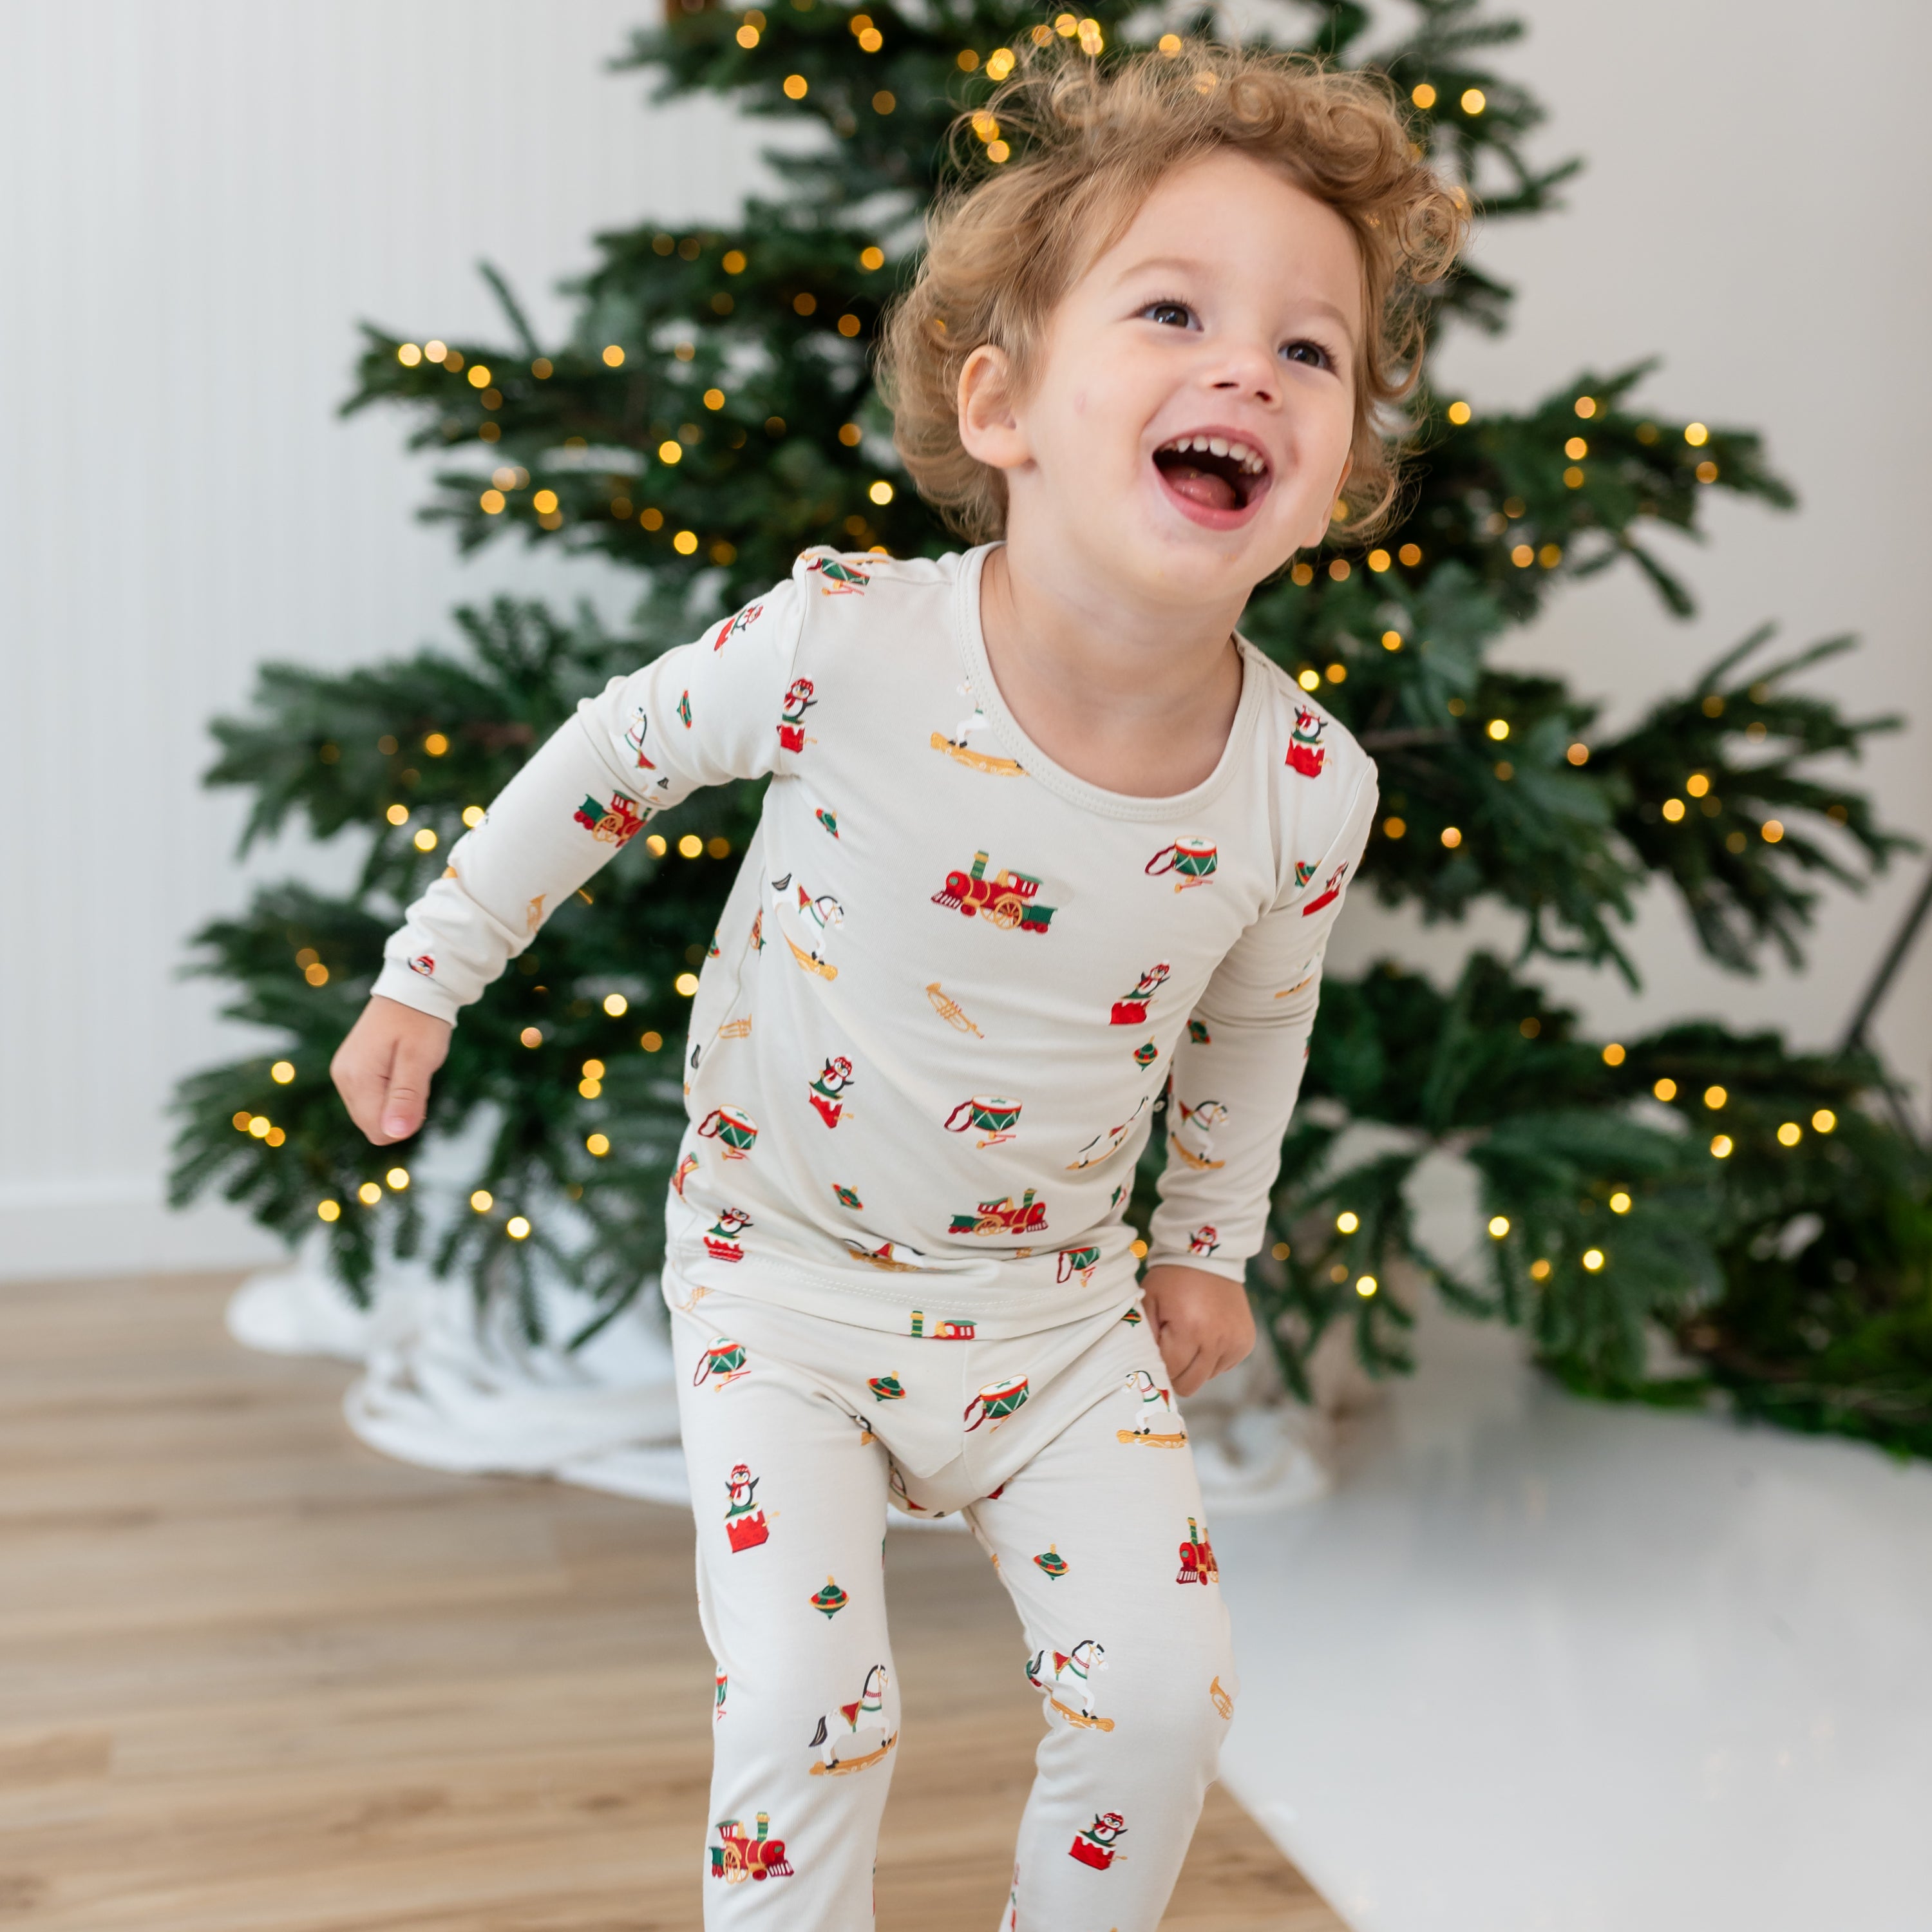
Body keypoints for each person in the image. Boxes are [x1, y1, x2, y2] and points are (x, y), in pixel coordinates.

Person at [330, 38, 1463, 1930]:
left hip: (1053, 1315)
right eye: (1174, 309)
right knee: (808, 1707)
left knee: (1162, 1706)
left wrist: (1210, 1246)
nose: (1247, 369)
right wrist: (429, 972)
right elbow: (611, 756)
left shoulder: (1304, 787)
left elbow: (1259, 1029)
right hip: (780, 1282)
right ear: (1002, 404)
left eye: (1310, 349)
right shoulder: (847, 648)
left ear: (1336, 470)